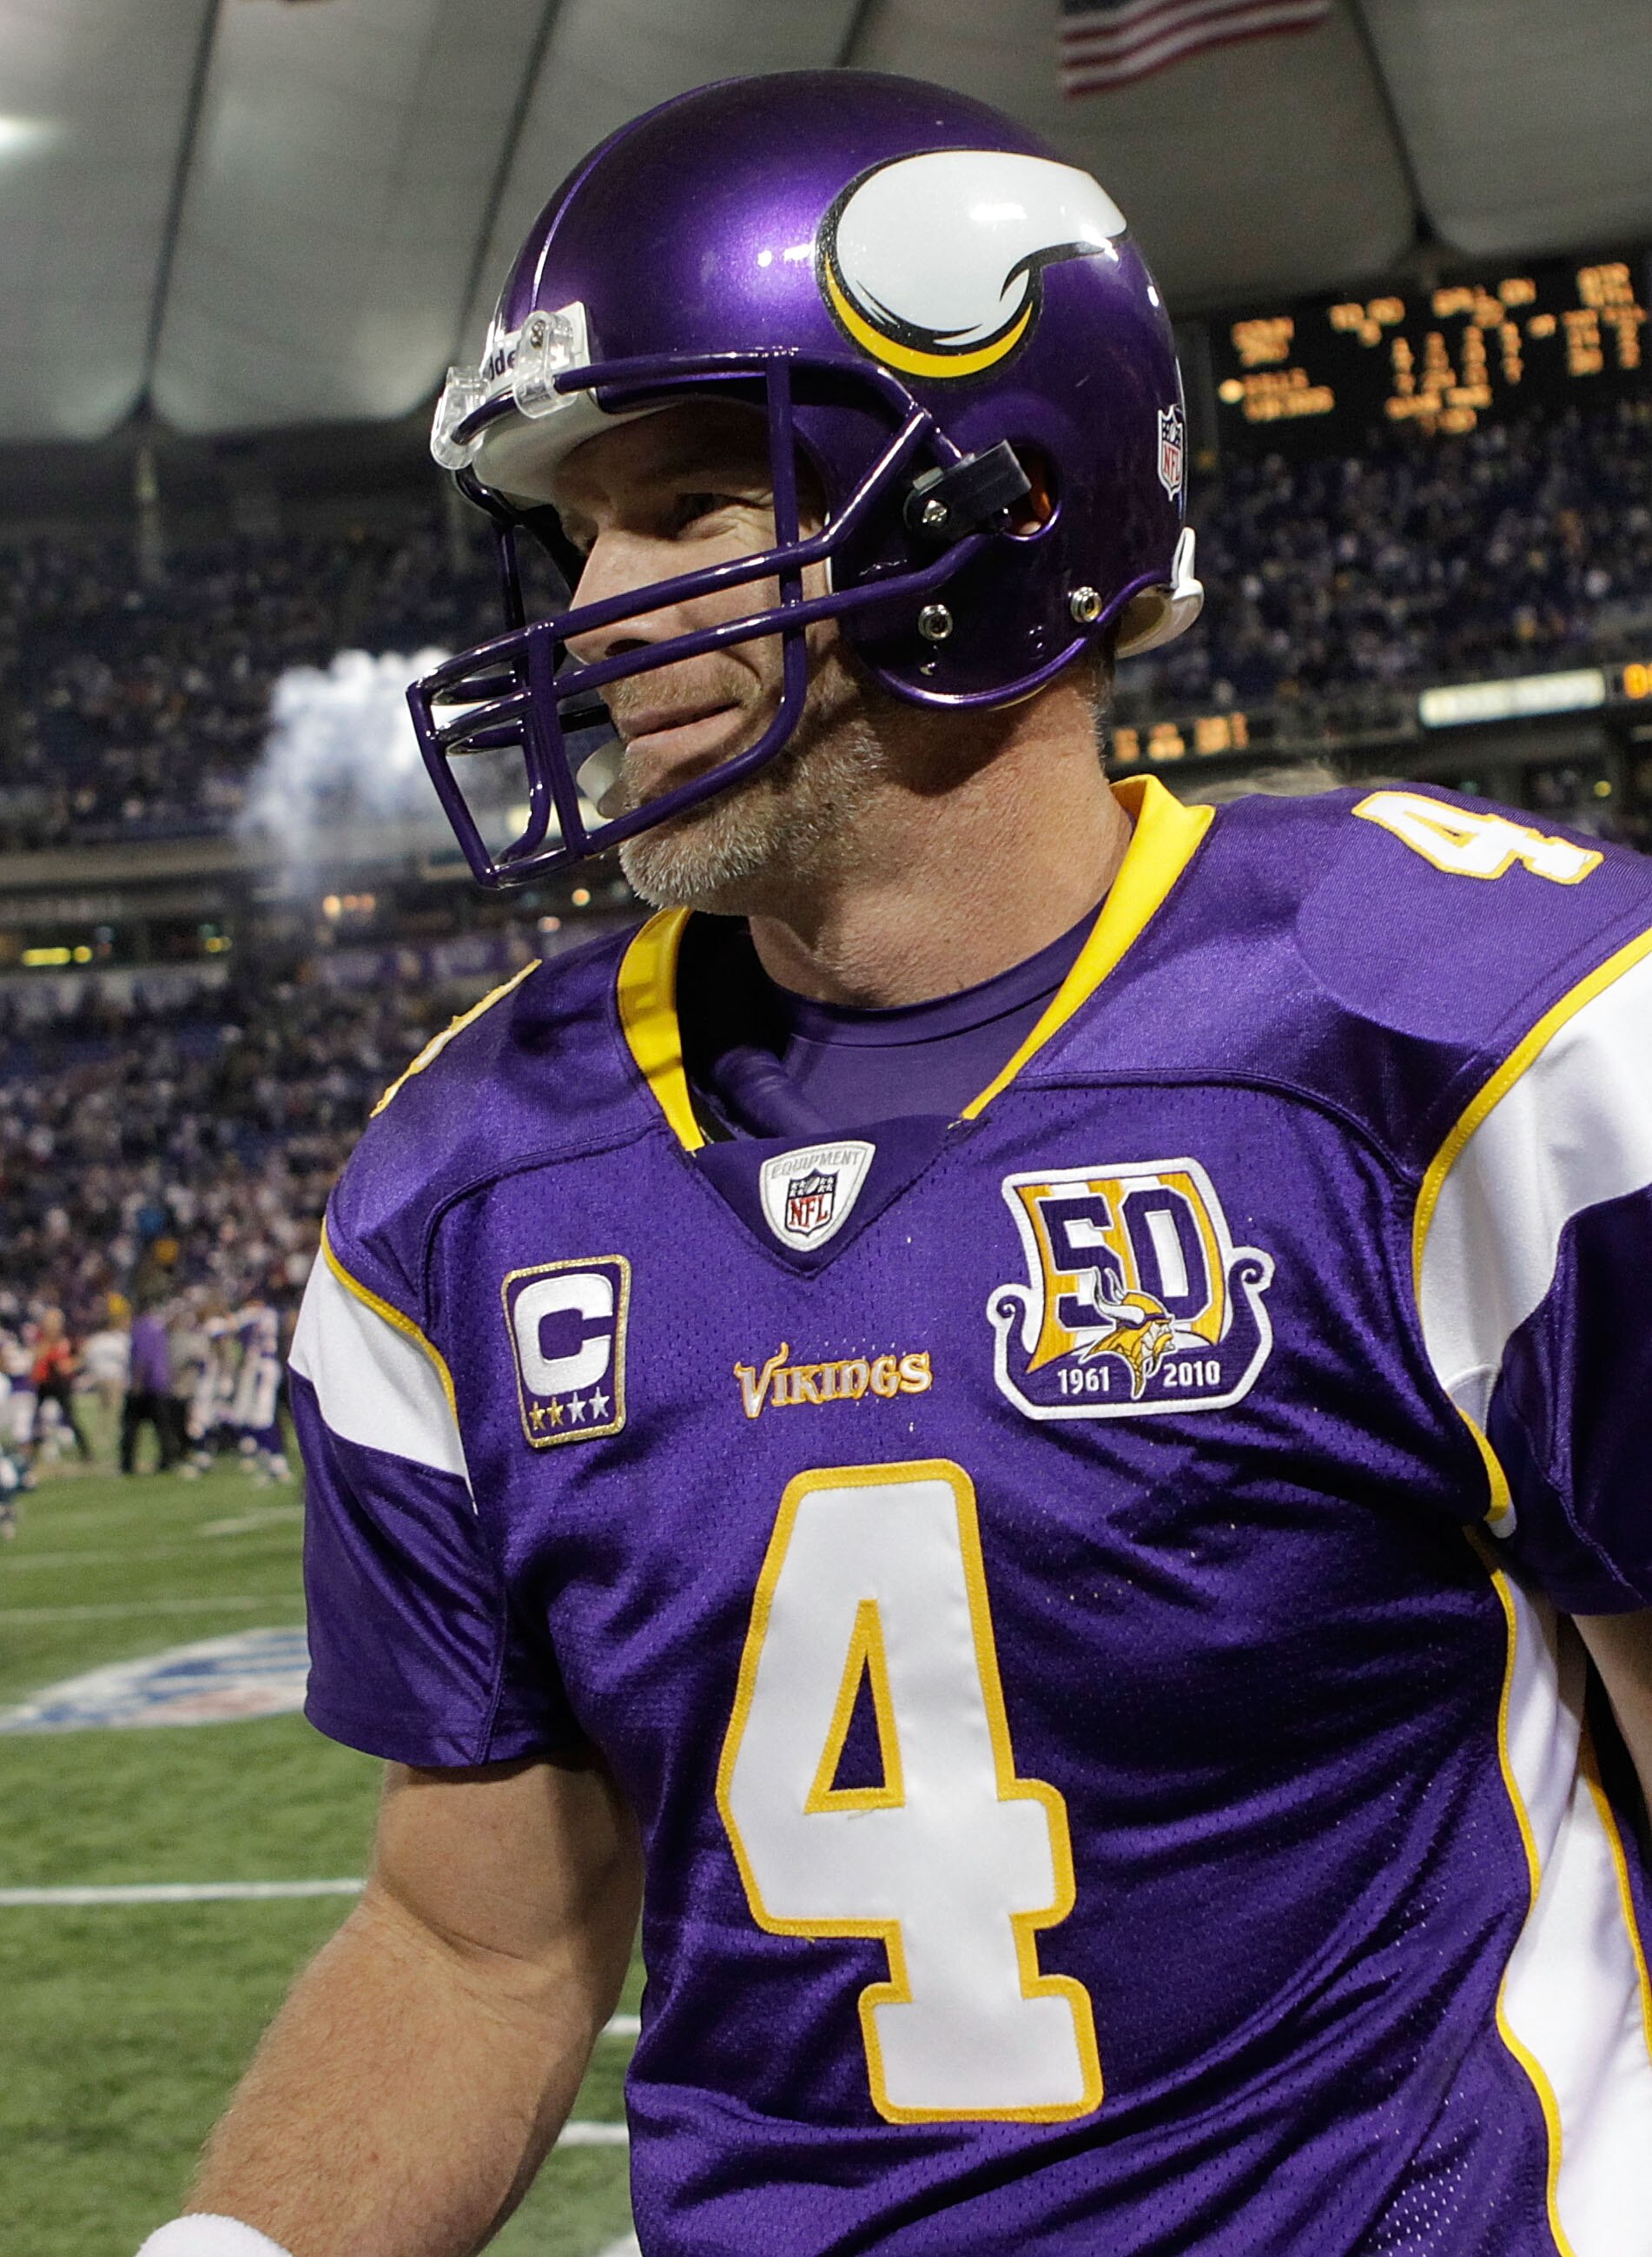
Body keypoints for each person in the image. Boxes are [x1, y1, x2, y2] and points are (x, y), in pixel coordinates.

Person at [138, 72, 1652, 2257]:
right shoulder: (464, 1179)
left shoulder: (1464, 1027)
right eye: (570, 534)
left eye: (679, 502)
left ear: (996, 502)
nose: (595, 604)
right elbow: (475, 1943)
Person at [121, 1299, 178, 1476]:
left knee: (130, 1427)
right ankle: (168, 1459)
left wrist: (136, 1383)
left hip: (146, 1385)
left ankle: (127, 1463)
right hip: (160, 1383)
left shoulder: (141, 1328)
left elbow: (142, 1357)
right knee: (162, 1426)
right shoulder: (158, 1327)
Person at [29, 1306, 90, 1466]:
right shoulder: (41, 1338)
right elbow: (36, 1356)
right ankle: (32, 1450)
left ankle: (86, 1451)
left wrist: (70, 1365)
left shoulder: (67, 1338)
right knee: (37, 1417)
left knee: (69, 1416)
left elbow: (80, 1357)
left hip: (61, 1383)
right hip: (45, 1383)